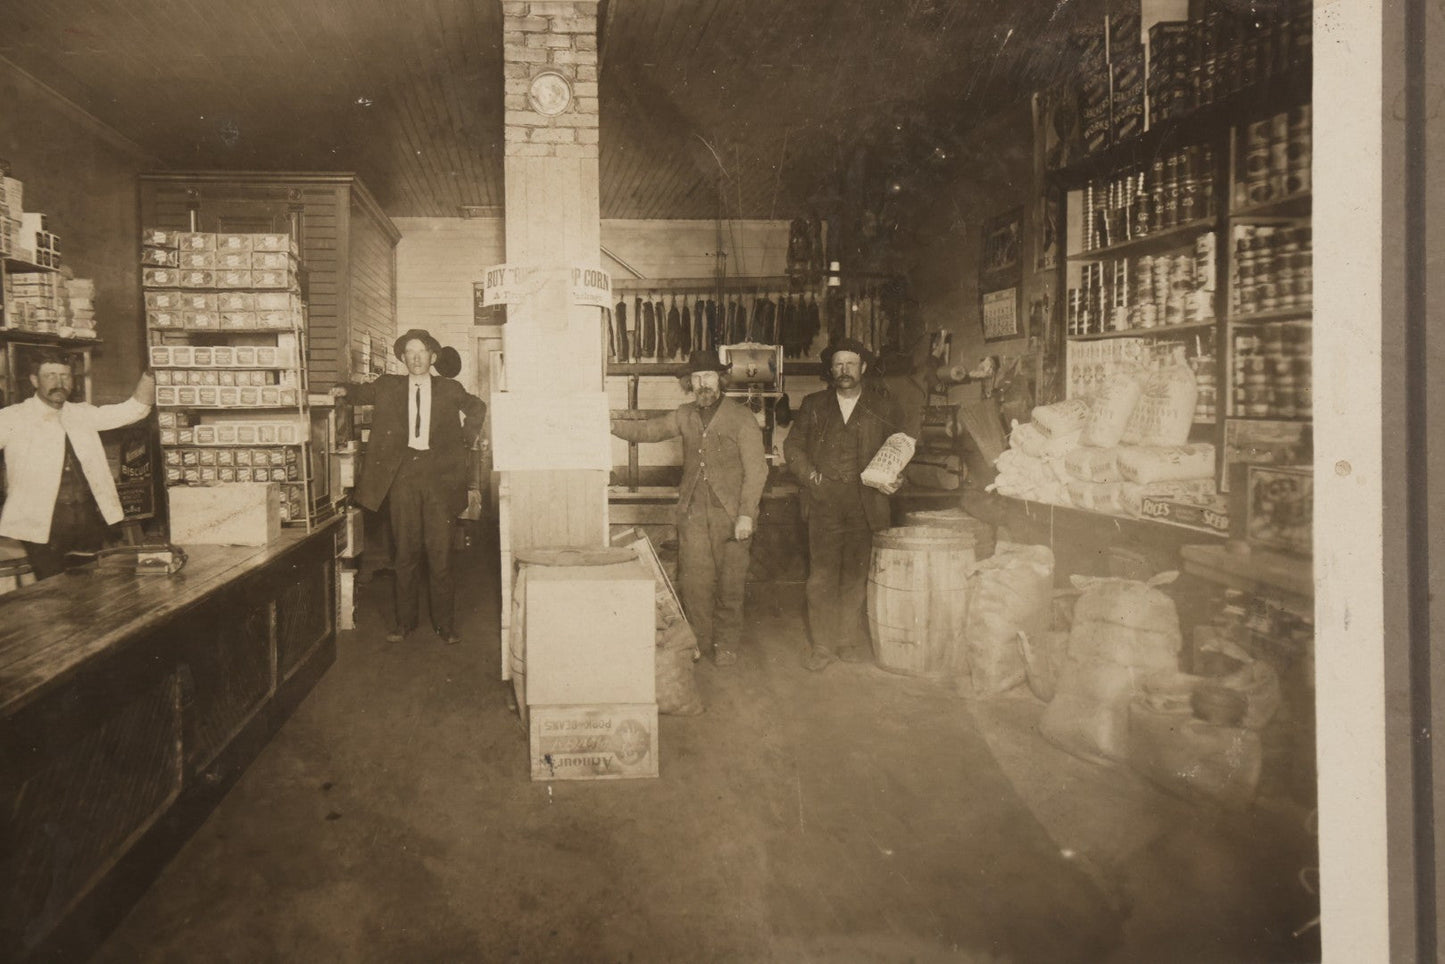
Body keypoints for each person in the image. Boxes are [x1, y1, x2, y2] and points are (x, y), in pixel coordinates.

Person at [610, 349, 767, 666]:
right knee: (694, 583)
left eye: (708, 376)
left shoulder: (741, 417)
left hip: (731, 514)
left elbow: (757, 470)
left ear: (720, 379)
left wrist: (746, 514)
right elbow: (649, 431)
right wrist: (610, 424)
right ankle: (699, 642)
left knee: (730, 583)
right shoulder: (684, 414)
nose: (702, 383)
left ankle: (726, 645)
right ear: (689, 383)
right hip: (692, 512)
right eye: (696, 378)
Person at [335, 328, 485, 644]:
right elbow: (358, 393)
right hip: (402, 476)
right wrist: (340, 389)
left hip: (439, 478)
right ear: (403, 358)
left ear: (432, 356)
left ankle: (445, 625)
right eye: (410, 352)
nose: (416, 358)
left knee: (441, 553)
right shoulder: (387, 386)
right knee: (405, 551)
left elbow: (477, 407)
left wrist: (464, 439)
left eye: (422, 352)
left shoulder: (450, 389)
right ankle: (405, 623)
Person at [784, 338, 905, 671]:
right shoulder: (814, 404)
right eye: (838, 364)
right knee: (821, 577)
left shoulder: (883, 406)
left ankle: (847, 640)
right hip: (824, 502)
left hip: (866, 504)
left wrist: (896, 477)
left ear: (863, 367)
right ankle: (823, 645)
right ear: (831, 369)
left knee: (855, 575)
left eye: (851, 363)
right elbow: (792, 447)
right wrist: (810, 476)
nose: (844, 370)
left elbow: (898, 450)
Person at [0, 349, 155, 580]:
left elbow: (133, 410)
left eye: (65, 376)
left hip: (86, 519)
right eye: (50, 376)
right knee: (51, 589)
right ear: (34, 380)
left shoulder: (82, 413)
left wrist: (150, 375)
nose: (59, 383)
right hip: (41, 523)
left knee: (88, 588)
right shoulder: (13, 417)